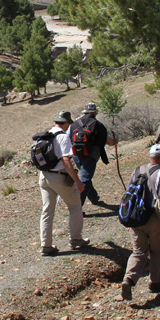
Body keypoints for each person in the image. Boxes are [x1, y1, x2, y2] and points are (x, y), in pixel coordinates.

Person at [120, 144, 160, 300]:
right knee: (156, 250)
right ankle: (154, 282)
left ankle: (128, 280)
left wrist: (128, 219)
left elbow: (128, 194)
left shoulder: (136, 170)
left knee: (138, 251)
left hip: (135, 218)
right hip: (154, 218)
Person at [38, 110, 88, 256]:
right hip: (59, 177)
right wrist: (77, 181)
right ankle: (76, 239)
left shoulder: (45, 135)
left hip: (44, 176)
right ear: (65, 123)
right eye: (68, 124)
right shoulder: (62, 137)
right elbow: (66, 161)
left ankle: (45, 246)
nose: (68, 126)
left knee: (47, 210)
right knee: (75, 206)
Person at [67, 102, 117, 206]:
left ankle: (94, 198)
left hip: (76, 155)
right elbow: (109, 142)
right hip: (90, 156)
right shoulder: (98, 125)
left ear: (84, 112)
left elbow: (67, 139)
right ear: (95, 112)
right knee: (85, 179)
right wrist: (115, 141)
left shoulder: (74, 124)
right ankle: (76, 206)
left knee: (86, 176)